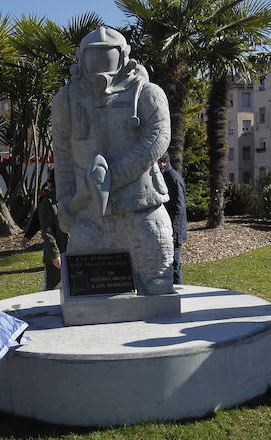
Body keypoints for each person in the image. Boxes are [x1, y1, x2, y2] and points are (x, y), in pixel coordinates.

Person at [51, 26, 174, 295]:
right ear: (81, 58)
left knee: (157, 282)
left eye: (107, 58)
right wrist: (67, 200)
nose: (100, 68)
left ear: (124, 56)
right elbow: (62, 154)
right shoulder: (66, 100)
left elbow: (157, 139)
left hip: (140, 204)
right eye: (93, 59)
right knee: (87, 287)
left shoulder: (147, 93)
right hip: (89, 211)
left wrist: (112, 177)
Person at [22, 173, 69, 290]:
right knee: (52, 290)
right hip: (57, 254)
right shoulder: (47, 201)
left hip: (72, 252)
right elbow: (45, 228)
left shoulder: (71, 198)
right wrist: (54, 255)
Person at [158, 153, 188, 285]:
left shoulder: (173, 178)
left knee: (175, 265)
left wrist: (174, 232)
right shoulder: (164, 177)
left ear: (164, 162)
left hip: (174, 230)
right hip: (168, 228)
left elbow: (179, 207)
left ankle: (179, 294)